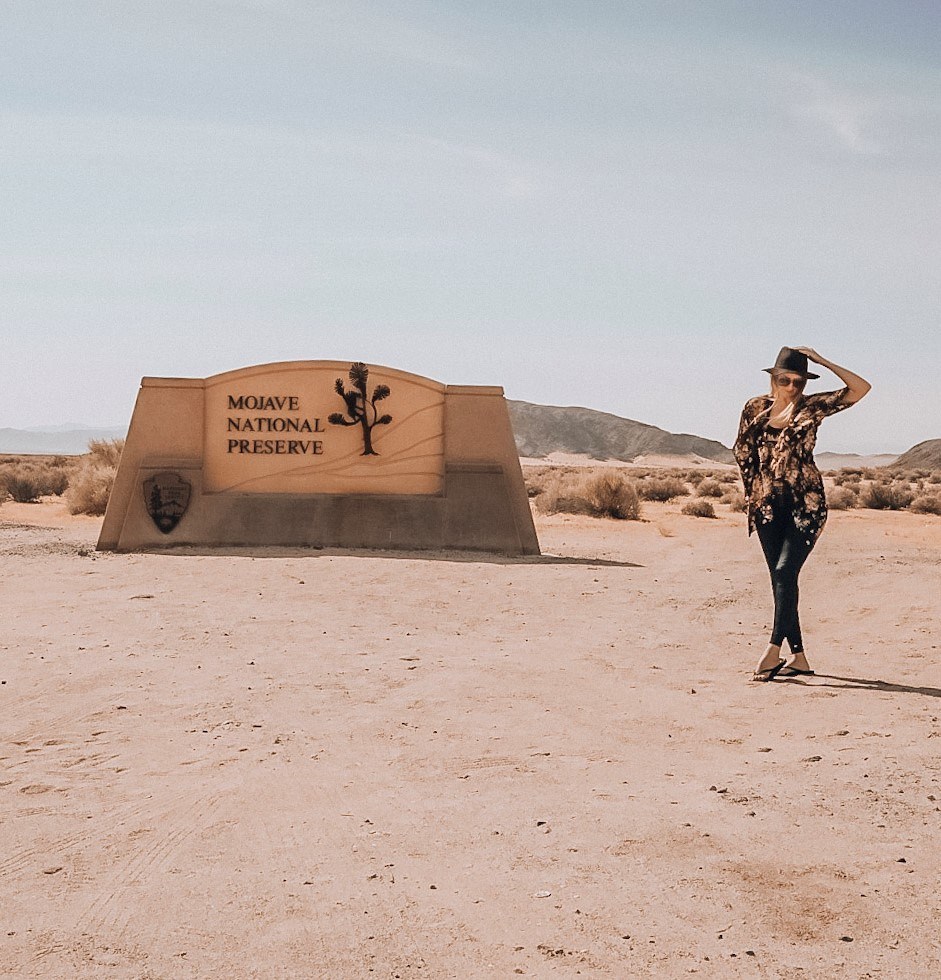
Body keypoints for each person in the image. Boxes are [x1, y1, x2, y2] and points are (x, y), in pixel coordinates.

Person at [734, 346, 871, 682]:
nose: (792, 387)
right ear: (774, 379)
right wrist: (754, 497)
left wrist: (822, 361)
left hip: (806, 504)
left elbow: (860, 389)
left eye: (799, 381)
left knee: (783, 571)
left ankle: (771, 651)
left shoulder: (812, 407)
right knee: (782, 579)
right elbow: (743, 452)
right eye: (785, 380)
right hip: (767, 504)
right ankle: (799, 658)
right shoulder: (754, 408)